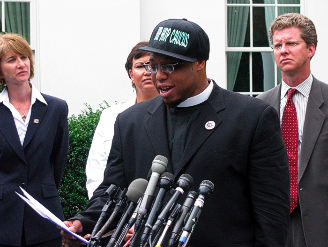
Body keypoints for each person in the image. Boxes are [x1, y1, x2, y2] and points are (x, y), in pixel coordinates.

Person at [62, 18, 289, 246]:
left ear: (200, 63)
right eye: (154, 66)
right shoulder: (130, 121)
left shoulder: (252, 118)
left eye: (170, 66)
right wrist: (83, 221)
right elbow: (114, 190)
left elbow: (271, 214)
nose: (159, 75)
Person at [257, 13, 328, 247]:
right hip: (274, 224)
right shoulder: (259, 106)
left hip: (327, 226)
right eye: (278, 45)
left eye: (291, 43)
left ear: (311, 49)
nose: (283, 50)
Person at [0, 33, 69, 246]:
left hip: (44, 217)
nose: (21, 64)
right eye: (12, 60)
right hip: (3, 219)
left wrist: (42, 189)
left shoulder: (56, 108)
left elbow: (58, 162)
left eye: (24, 57)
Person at [85, 42, 158, 199]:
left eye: (151, 65)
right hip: (116, 207)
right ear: (131, 74)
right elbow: (96, 169)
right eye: (140, 66)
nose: (146, 71)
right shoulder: (111, 116)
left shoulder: (175, 115)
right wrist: (101, 209)